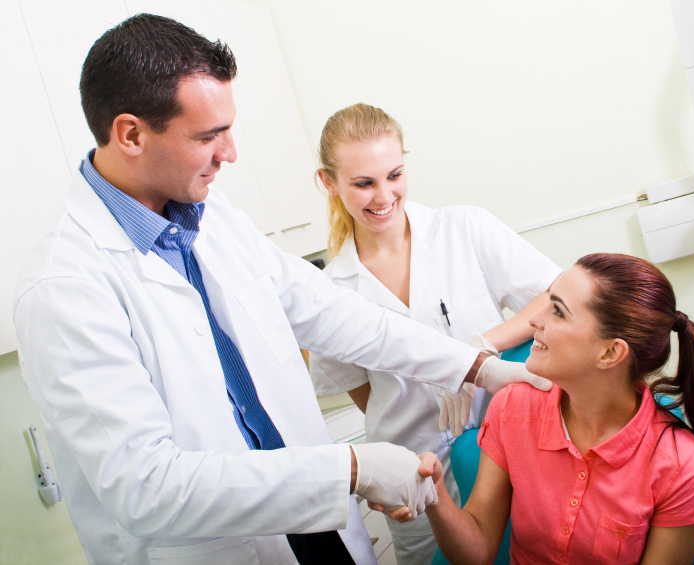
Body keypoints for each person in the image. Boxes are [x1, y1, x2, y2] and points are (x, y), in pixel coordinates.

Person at [11, 15, 513, 565]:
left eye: (227, 128)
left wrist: (476, 367)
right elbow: (146, 486)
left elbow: (333, 314)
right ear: (130, 134)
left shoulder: (212, 215)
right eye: (208, 136)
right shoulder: (64, 287)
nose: (229, 152)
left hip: (318, 527)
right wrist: (355, 467)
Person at [309, 103, 562, 564]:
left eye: (394, 174)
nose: (383, 195)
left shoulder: (464, 228)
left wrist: (481, 350)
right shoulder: (331, 290)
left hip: (506, 449)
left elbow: (555, 295)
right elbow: (363, 393)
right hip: (415, 472)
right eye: (363, 183)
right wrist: (421, 405)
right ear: (328, 183)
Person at [382, 253, 694, 565]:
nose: (535, 321)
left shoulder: (680, 467)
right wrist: (435, 496)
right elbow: (476, 554)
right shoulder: (513, 408)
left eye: (558, 311)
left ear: (610, 353)